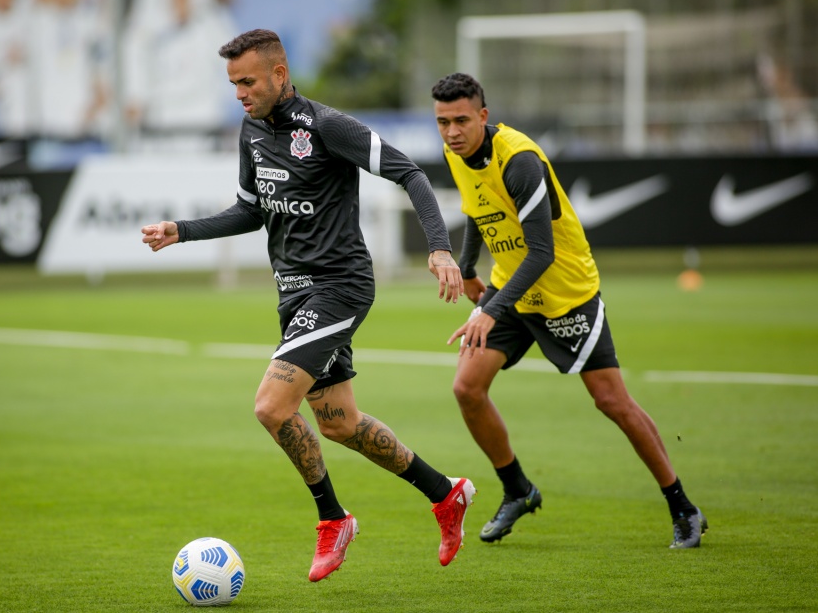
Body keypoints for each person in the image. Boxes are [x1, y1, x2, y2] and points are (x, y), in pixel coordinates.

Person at [141, 29, 475, 582]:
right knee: (340, 423)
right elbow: (252, 210)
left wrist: (440, 248)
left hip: (340, 286)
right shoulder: (250, 132)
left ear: (279, 73)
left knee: (271, 407)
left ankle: (333, 518)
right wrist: (183, 230)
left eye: (247, 81)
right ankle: (446, 494)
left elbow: (410, 174)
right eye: (233, 84)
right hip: (293, 294)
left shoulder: (327, 127)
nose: (240, 93)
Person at [431, 72, 707, 549]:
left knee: (611, 402)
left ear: (483, 116)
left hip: (564, 291)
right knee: (467, 388)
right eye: (442, 122)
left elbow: (541, 253)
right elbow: (479, 210)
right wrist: (469, 265)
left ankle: (682, 506)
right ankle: (518, 489)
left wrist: (489, 311)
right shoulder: (456, 154)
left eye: (460, 120)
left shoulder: (519, 161)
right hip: (509, 290)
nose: (452, 132)